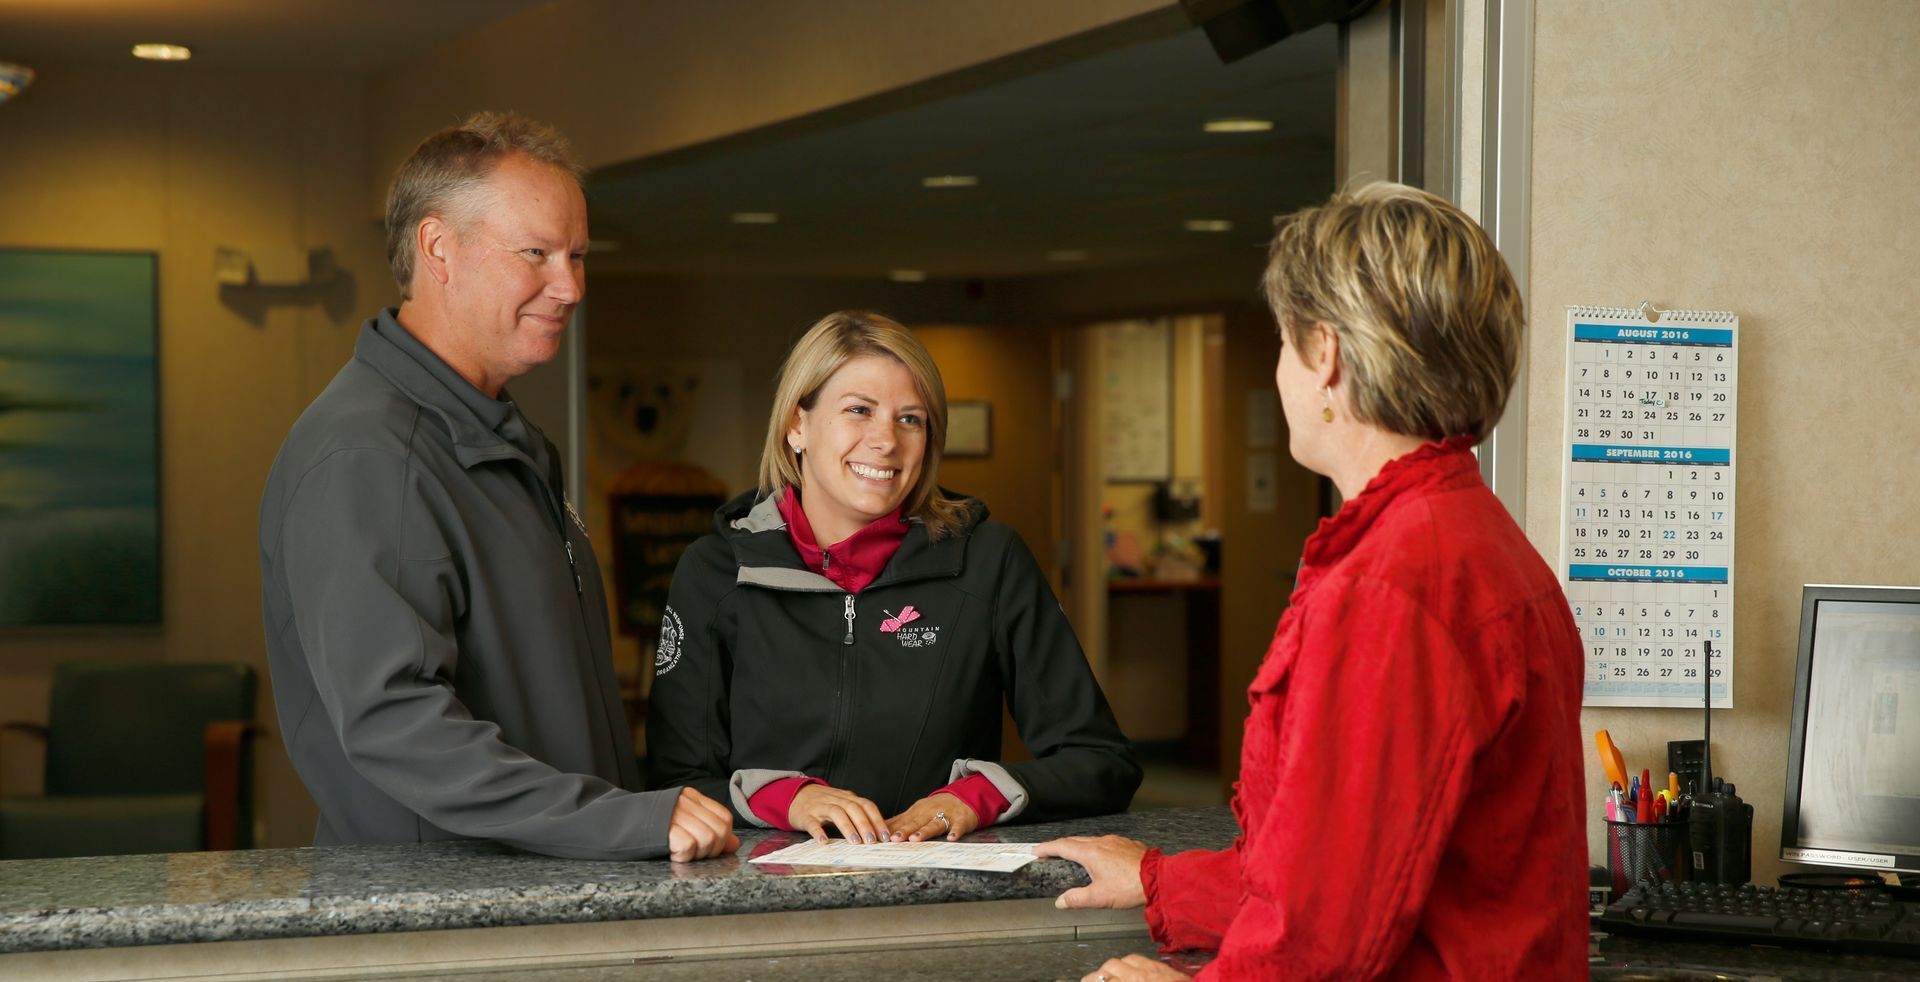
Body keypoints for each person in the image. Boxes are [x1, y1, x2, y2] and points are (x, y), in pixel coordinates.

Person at [1038, 183, 1588, 980]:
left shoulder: (1394, 584)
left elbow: (1322, 940)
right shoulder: (1477, 540)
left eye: (1286, 344)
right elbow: (1355, 865)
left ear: (1325, 354)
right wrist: (1163, 881)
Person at [258, 111, 736, 863]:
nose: (570, 286)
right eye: (536, 253)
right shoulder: (372, 456)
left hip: (544, 897)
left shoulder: (500, 438)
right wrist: (620, 822)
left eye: (578, 255)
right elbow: (395, 723)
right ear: (438, 249)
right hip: (444, 923)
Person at [647, 311, 1140, 844]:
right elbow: (676, 785)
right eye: (859, 410)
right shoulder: (715, 573)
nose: (885, 441)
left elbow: (1101, 763)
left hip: (938, 897)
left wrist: (973, 797)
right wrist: (789, 799)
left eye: (911, 419)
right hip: (765, 906)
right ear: (797, 425)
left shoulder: (991, 562)